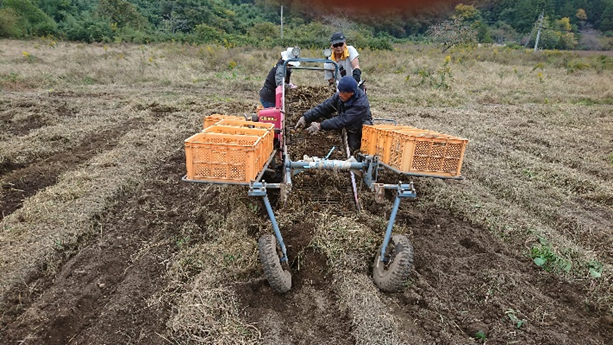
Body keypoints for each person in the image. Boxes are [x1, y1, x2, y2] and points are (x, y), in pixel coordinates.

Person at [295, 76, 372, 153]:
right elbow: (324, 107)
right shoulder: (340, 96)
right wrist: (306, 117)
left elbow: (342, 119)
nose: (340, 94)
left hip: (356, 127)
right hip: (346, 120)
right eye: (340, 91)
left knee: (353, 150)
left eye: (343, 92)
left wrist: (320, 126)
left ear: (351, 93)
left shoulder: (361, 104)